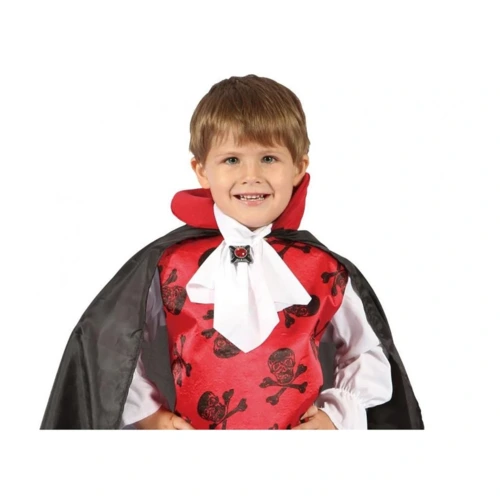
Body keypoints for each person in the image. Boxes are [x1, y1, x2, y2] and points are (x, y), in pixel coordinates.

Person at [41, 74, 424, 430]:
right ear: (202, 170)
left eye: (269, 158)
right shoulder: (170, 265)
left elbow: (367, 353)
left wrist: (336, 417)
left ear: (298, 167)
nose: (251, 175)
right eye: (231, 159)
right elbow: (115, 346)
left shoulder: (324, 269)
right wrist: (149, 415)